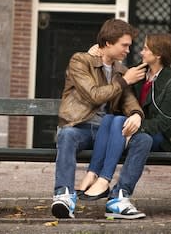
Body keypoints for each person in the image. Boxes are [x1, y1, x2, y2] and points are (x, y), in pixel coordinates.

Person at [52, 18, 153, 220]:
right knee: (67, 135)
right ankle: (64, 196)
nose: (127, 50)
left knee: (144, 140)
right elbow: (94, 95)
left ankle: (119, 198)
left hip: (107, 132)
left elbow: (129, 101)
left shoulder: (122, 71)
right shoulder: (80, 61)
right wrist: (125, 81)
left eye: (129, 46)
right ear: (108, 43)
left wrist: (136, 114)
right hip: (81, 126)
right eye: (124, 45)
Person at [77, 33, 171, 208]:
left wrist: (135, 127)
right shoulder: (139, 73)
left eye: (145, 49)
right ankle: (96, 176)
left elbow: (163, 122)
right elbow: (116, 84)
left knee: (131, 129)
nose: (141, 52)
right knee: (111, 119)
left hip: (162, 137)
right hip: (137, 133)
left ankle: (103, 179)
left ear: (158, 55)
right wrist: (96, 56)